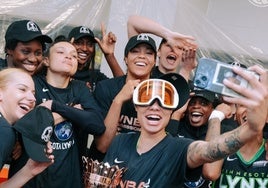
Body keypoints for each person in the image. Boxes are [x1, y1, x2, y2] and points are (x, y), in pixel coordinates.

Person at [102, 64, 268, 187]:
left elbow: (211, 149)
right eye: (147, 99)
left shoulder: (180, 149)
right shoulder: (119, 142)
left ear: (172, 109)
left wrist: (252, 128)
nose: (155, 106)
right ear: (137, 106)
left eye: (164, 101)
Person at [91, 15, 197, 159]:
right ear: (125, 59)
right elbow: (103, 146)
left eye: (148, 53)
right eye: (135, 51)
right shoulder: (106, 88)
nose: (142, 56)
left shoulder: (160, 92)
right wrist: (119, 100)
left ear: (154, 61)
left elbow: (162, 144)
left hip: (141, 170)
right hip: (104, 168)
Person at [9, 40, 106, 188]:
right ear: (46, 60)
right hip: (30, 178)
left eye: (73, 56)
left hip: (68, 179)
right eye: (61, 52)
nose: (68, 57)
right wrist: (72, 112)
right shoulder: (32, 84)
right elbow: (27, 125)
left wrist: (54, 106)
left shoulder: (80, 89)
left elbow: (97, 125)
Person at [0, 68, 54, 188]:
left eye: (33, 93)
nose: (33, 99)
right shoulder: (4, 131)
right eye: (22, 89)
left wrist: (28, 171)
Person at [202, 103, 268, 187]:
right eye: (242, 105)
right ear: (235, 115)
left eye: (257, 106)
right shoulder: (224, 145)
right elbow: (210, 173)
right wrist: (215, 118)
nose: (249, 110)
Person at [127, 15, 197, 81]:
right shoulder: (144, 73)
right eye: (168, 45)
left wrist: (186, 70)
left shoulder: (187, 82)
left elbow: (178, 93)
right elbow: (132, 22)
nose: (173, 49)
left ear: (183, 56)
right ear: (158, 52)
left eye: (179, 48)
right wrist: (167, 34)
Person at [68, 24, 124, 91]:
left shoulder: (96, 77)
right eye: (79, 43)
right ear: (69, 44)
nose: (85, 48)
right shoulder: (58, 72)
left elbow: (123, 88)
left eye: (89, 44)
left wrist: (109, 55)